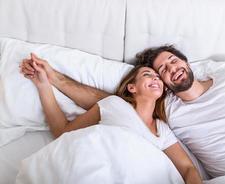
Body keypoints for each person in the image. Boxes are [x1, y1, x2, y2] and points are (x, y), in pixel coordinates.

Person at [20, 44, 225, 178]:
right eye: (161, 71)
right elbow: (104, 101)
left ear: (185, 61)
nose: (170, 69)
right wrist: (52, 79)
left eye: (173, 60)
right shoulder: (164, 109)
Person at [21, 54, 202, 184]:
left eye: (158, 77)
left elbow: (188, 168)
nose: (156, 78)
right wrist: (44, 85)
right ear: (132, 87)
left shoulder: (162, 129)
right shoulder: (113, 104)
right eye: (148, 75)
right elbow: (63, 132)